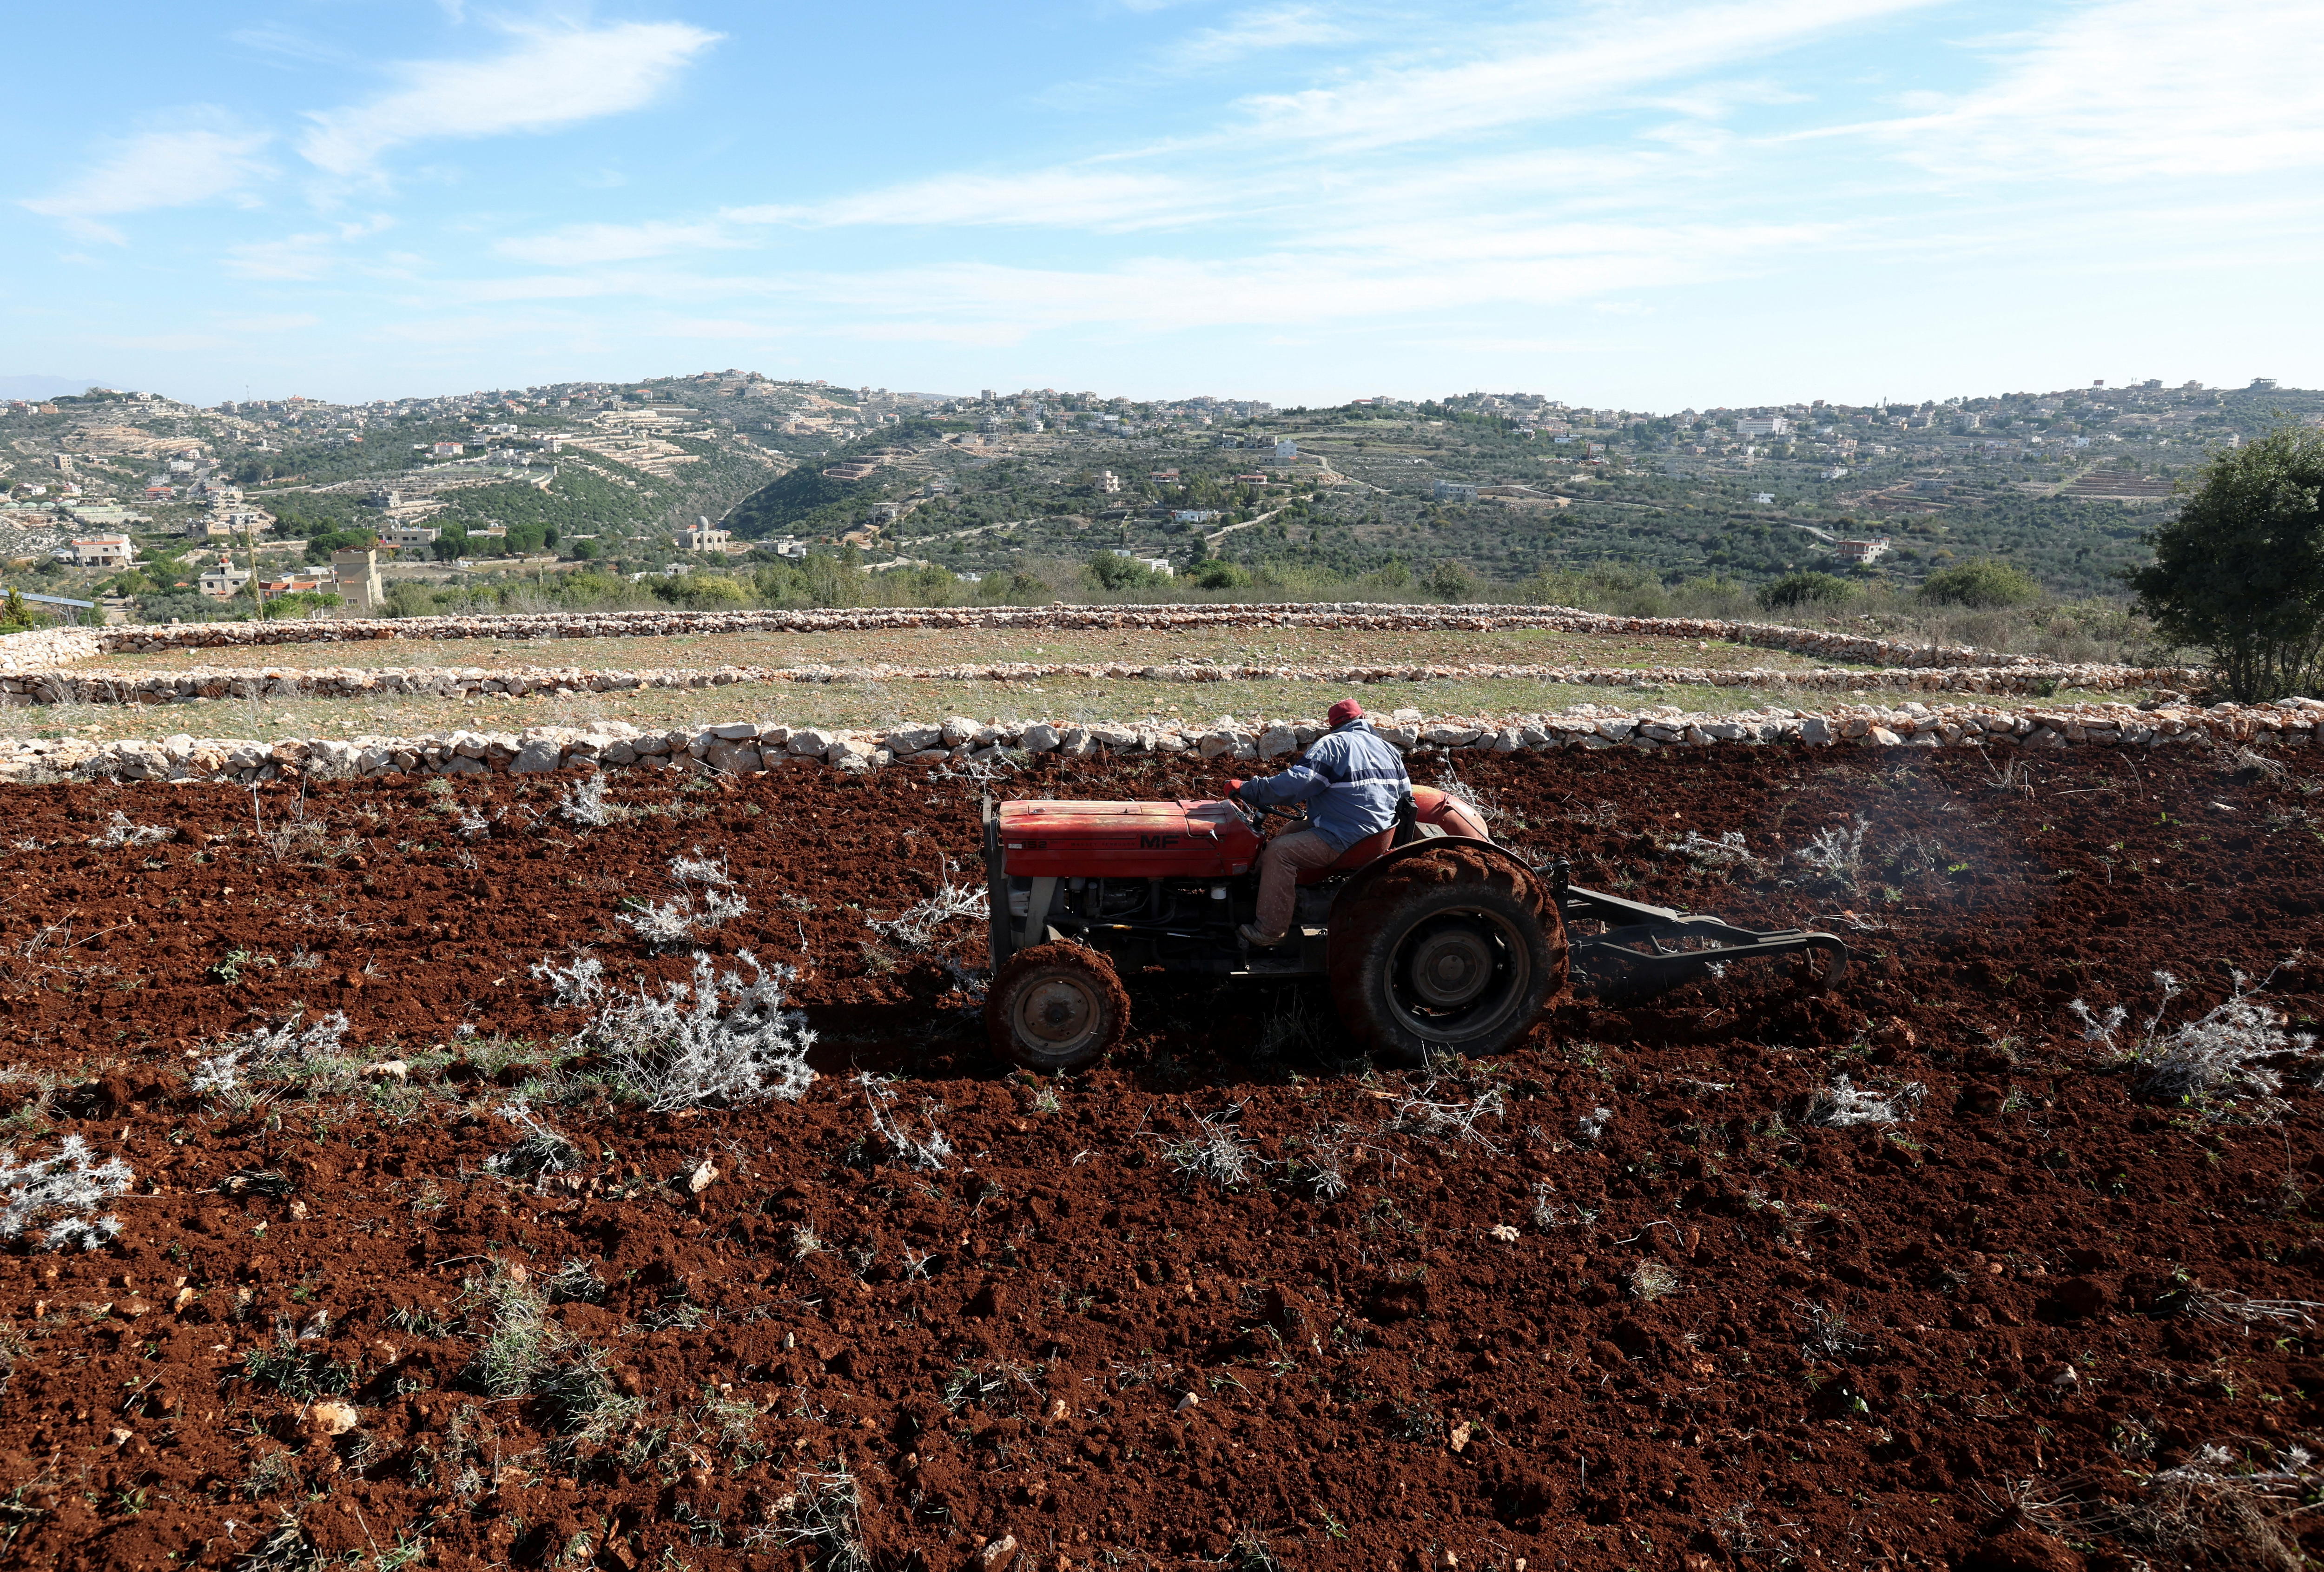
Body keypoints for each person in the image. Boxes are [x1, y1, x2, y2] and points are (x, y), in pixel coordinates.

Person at [1228, 697, 1410, 947]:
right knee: (1291, 830)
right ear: (1362, 718)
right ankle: (1259, 888)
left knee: (1279, 853)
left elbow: (1295, 785)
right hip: (1377, 837)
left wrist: (1251, 789)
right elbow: (1406, 799)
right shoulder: (1388, 750)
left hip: (1346, 838)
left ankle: (1269, 931)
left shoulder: (1333, 745)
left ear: (1333, 724)